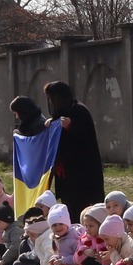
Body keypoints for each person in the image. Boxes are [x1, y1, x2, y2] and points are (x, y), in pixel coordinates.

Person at [43, 81, 106, 217]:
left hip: (83, 172)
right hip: (66, 173)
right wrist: (51, 124)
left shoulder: (79, 110)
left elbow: (87, 136)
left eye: (53, 97)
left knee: (85, 208)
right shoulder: (60, 112)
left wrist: (71, 126)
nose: (52, 101)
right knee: (69, 206)